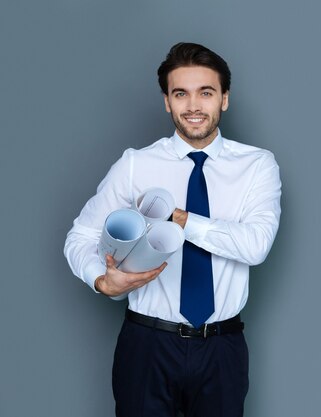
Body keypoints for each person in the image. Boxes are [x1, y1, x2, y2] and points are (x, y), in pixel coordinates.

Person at [64, 42, 281, 417]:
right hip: (148, 344)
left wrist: (180, 219)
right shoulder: (136, 165)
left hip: (221, 347)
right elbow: (80, 236)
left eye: (206, 93)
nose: (193, 106)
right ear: (167, 101)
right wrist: (101, 281)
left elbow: (256, 246)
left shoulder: (258, 166)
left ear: (224, 99)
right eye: (180, 93)